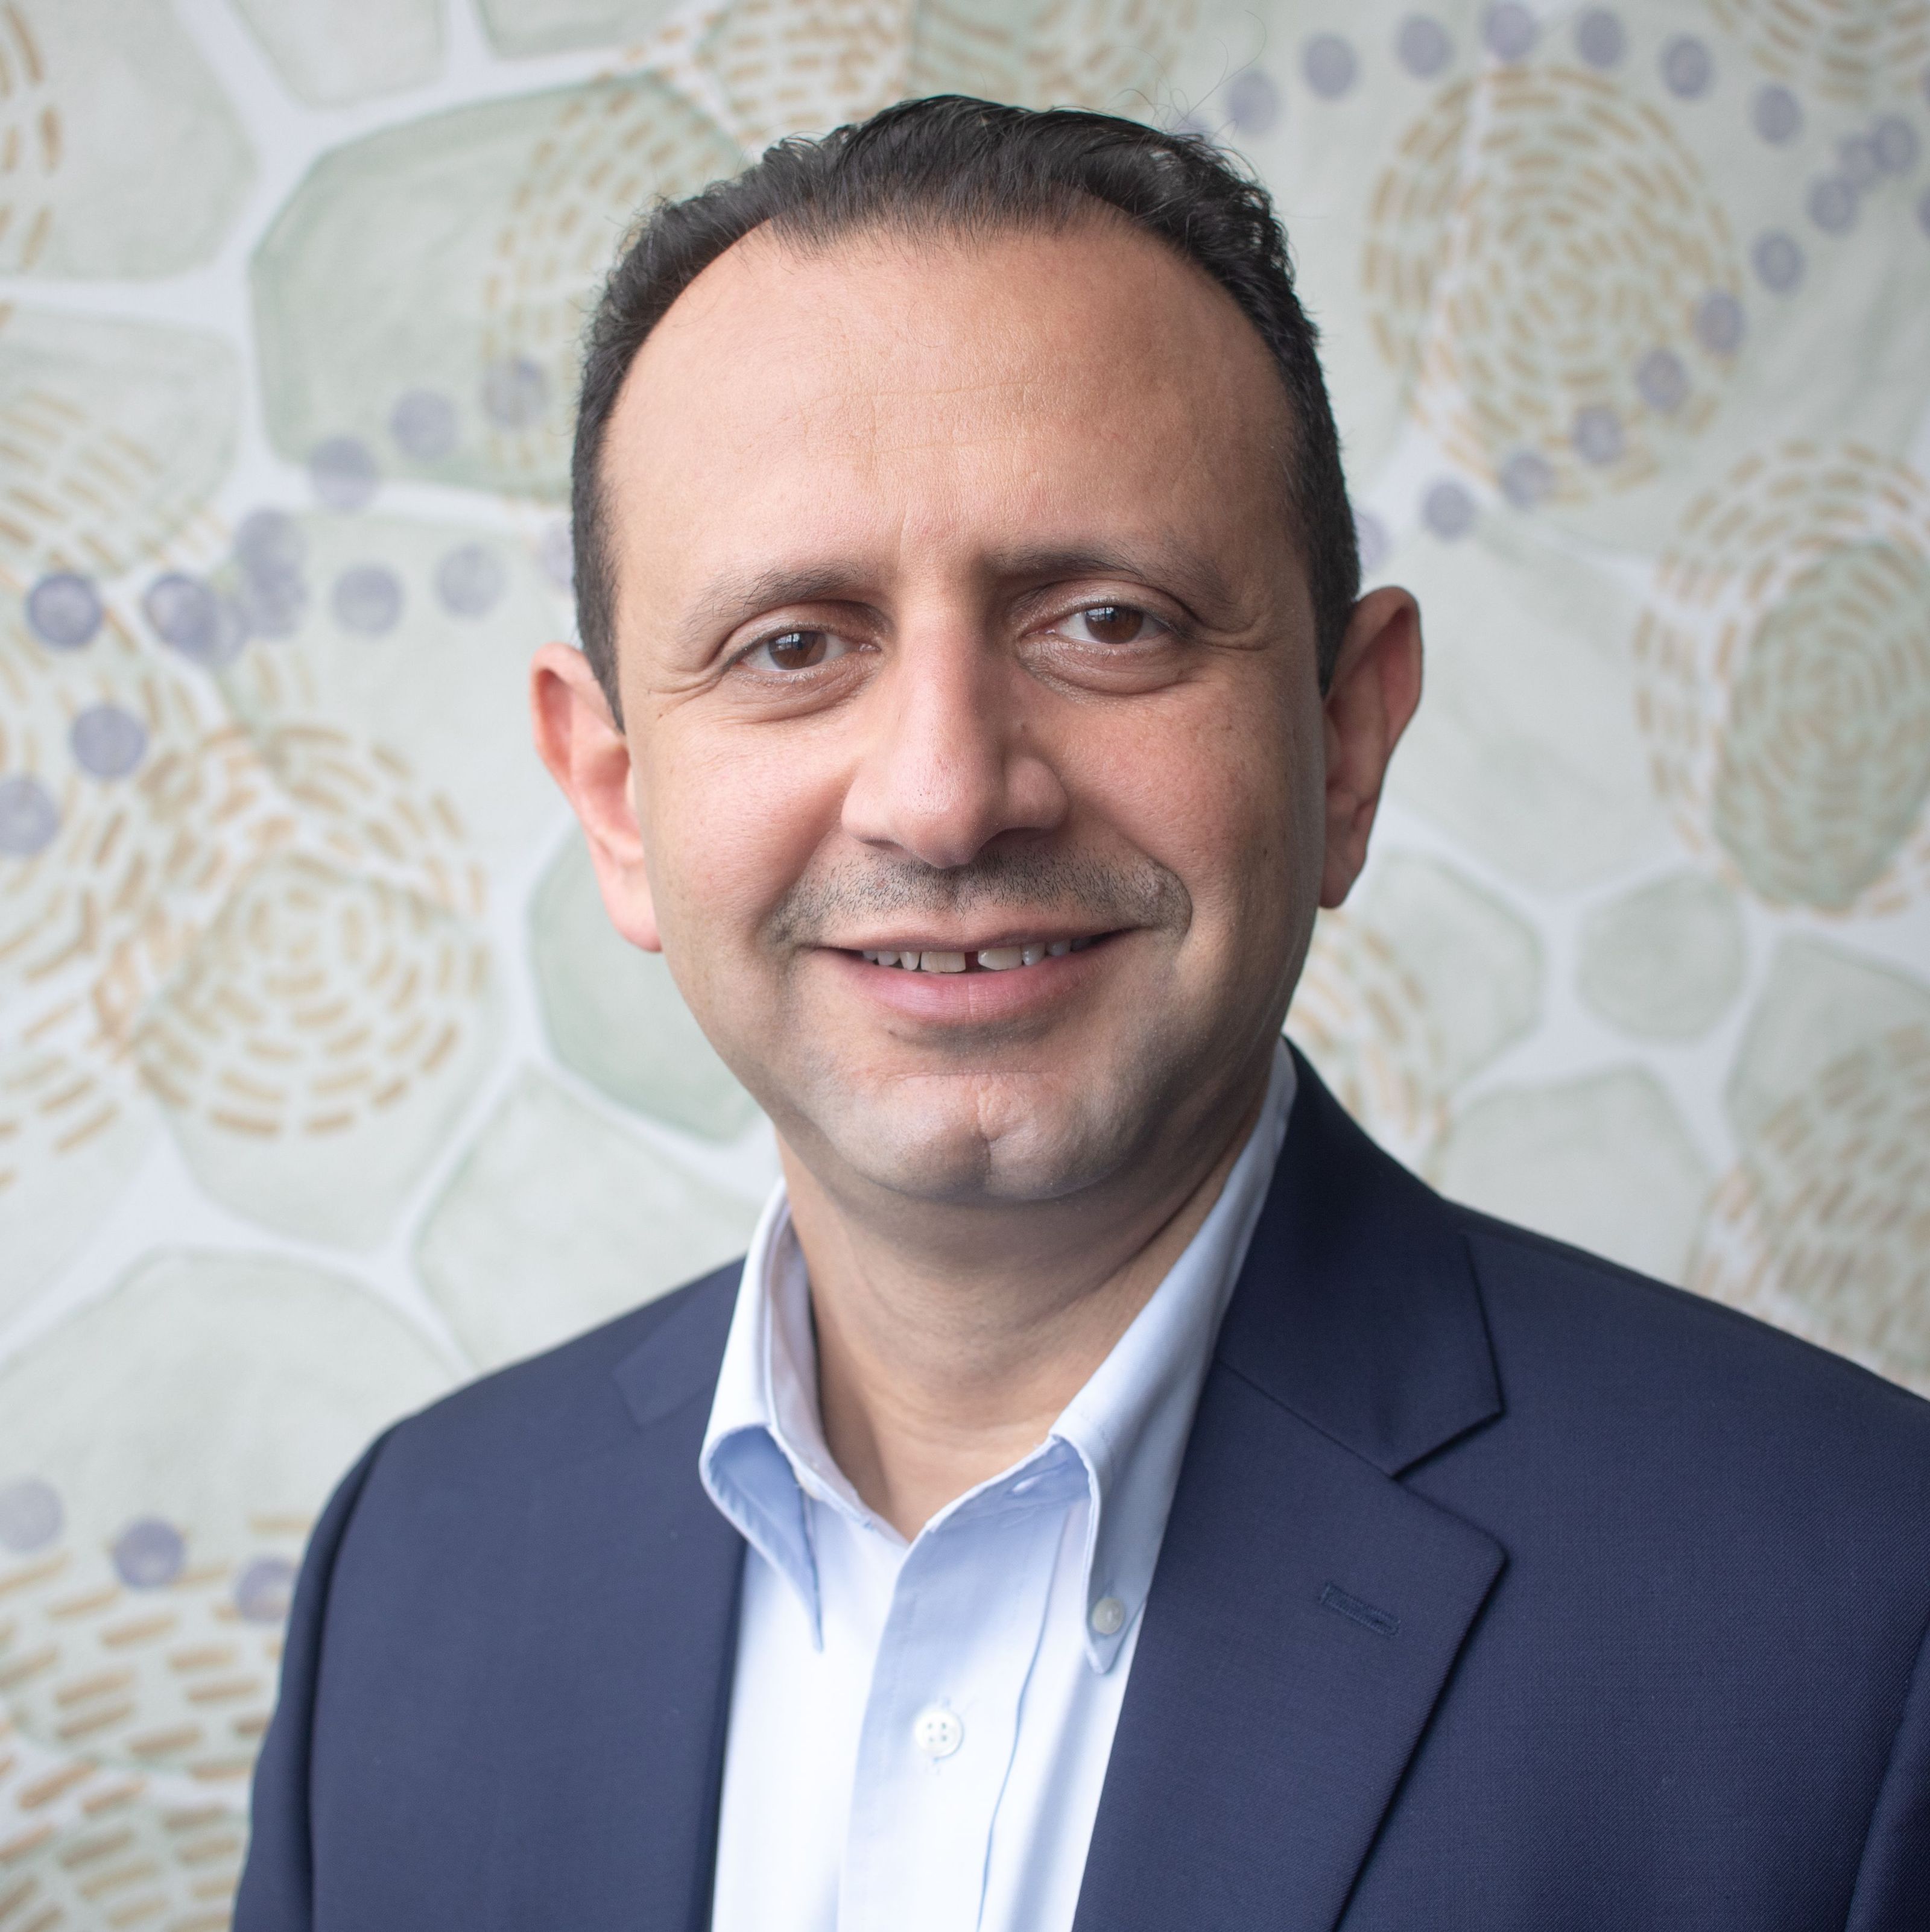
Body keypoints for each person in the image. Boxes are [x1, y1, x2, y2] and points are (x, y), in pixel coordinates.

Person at [236, 97, 1930, 1930]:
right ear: (615, 797)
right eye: (794, 645)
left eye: (1109, 622)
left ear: (1345, 740)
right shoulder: (412, 1575)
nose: (947, 796)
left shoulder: (1859, 1617)